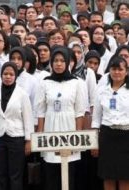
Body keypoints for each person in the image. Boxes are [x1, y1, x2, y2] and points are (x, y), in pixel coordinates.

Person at [35, 46, 86, 190]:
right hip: (50, 127)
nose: (58, 64)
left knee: (69, 173)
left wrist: (78, 135)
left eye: (62, 61)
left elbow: (79, 112)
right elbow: (41, 111)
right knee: (51, 173)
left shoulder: (76, 83)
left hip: (69, 128)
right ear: (51, 63)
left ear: (68, 63)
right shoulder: (45, 82)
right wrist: (40, 133)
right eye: (55, 61)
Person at [0, 62, 34, 190]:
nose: (8, 77)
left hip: (16, 138)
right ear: (1, 75)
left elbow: (28, 118)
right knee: (0, 174)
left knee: (15, 175)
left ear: (15, 76)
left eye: (11, 74)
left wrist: (28, 141)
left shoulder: (22, 94)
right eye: (5, 74)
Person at [92, 56, 129, 190]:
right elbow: (96, 119)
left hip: (126, 136)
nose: (117, 72)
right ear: (109, 71)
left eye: (120, 69)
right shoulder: (102, 91)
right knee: (108, 176)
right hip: (107, 136)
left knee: (125, 177)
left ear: (126, 71)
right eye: (114, 69)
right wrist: (95, 143)